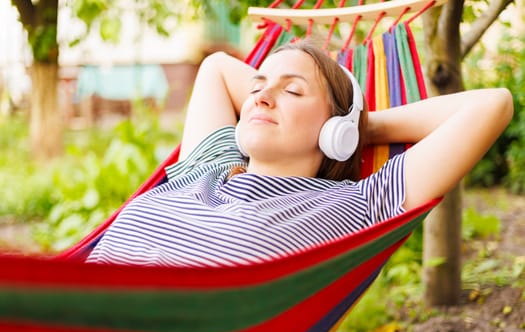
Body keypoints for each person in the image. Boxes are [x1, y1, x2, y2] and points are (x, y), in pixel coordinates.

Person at [86, 40, 513, 267]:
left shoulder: (356, 206)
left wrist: (361, 127)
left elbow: (492, 105)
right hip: (73, 307)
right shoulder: (208, 168)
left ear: (335, 131)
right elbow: (216, 67)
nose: (261, 96)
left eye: (292, 90)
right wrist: (276, 91)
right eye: (256, 87)